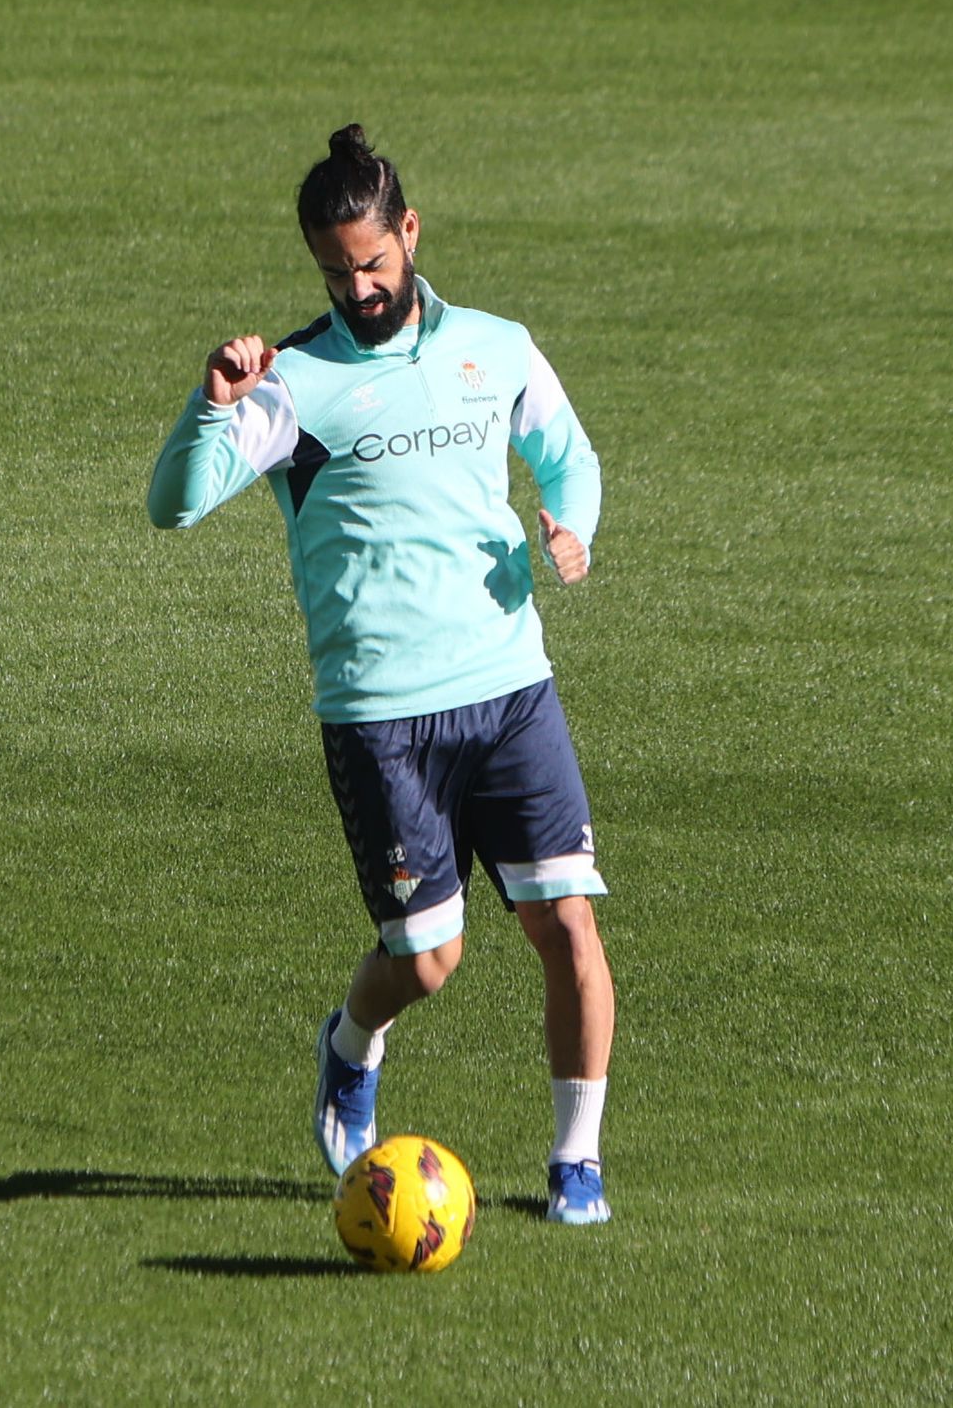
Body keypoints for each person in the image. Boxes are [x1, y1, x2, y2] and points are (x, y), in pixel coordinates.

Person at [147, 126, 616, 1224]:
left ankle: (576, 1164)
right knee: (430, 956)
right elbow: (173, 505)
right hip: (377, 713)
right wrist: (211, 405)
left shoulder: (497, 348)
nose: (357, 287)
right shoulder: (292, 384)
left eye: (371, 262)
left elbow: (569, 456)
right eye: (333, 271)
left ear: (408, 232)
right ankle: (351, 1048)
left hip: (510, 690)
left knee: (568, 926)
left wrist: (571, 527)